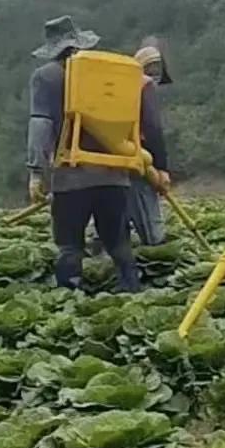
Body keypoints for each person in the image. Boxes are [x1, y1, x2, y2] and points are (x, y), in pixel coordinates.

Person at [26, 15, 169, 293]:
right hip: (114, 175)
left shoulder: (46, 77)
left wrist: (36, 173)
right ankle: (133, 292)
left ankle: (69, 298)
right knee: (118, 244)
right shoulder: (112, 72)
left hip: (71, 177)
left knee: (70, 245)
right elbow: (146, 124)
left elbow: (41, 125)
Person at [127, 41, 173, 246]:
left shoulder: (119, 85)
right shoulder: (144, 85)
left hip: (110, 163)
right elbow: (153, 128)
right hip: (140, 162)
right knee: (152, 231)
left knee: (109, 224)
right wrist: (161, 169)